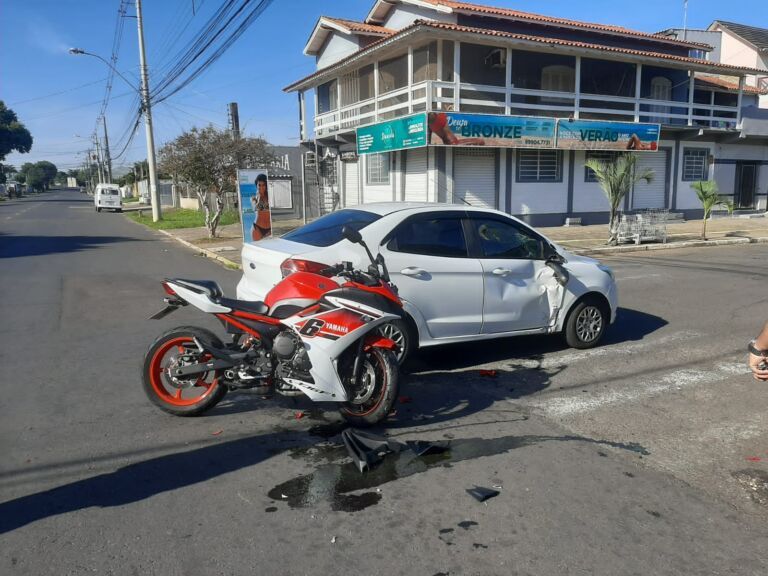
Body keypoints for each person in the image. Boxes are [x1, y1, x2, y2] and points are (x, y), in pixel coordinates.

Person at [250, 173, 272, 242]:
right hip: (257, 228)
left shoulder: (270, 197)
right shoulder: (253, 198)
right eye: (259, 185)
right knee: (257, 247)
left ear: (266, 185)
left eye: (263, 185)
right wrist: (259, 197)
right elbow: (256, 209)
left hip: (269, 228)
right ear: (256, 186)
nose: (261, 187)